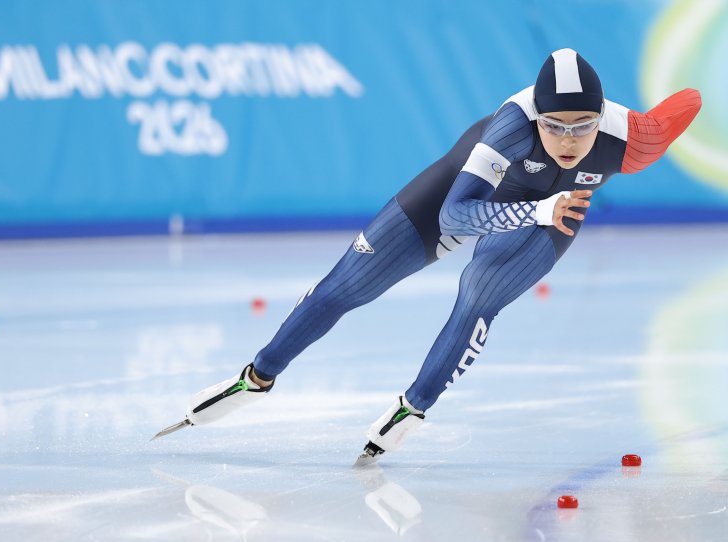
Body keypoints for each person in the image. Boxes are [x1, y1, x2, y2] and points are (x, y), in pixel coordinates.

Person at [154, 48, 701, 463]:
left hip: (554, 215)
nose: (568, 138)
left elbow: (690, 103)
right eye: (555, 125)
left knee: (477, 296)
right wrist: (537, 208)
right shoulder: (510, 127)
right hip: (467, 194)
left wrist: (547, 212)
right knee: (344, 285)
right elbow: (455, 218)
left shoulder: (633, 140)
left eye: (582, 126)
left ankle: (412, 407)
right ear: (536, 119)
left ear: (601, 118)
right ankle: (257, 377)